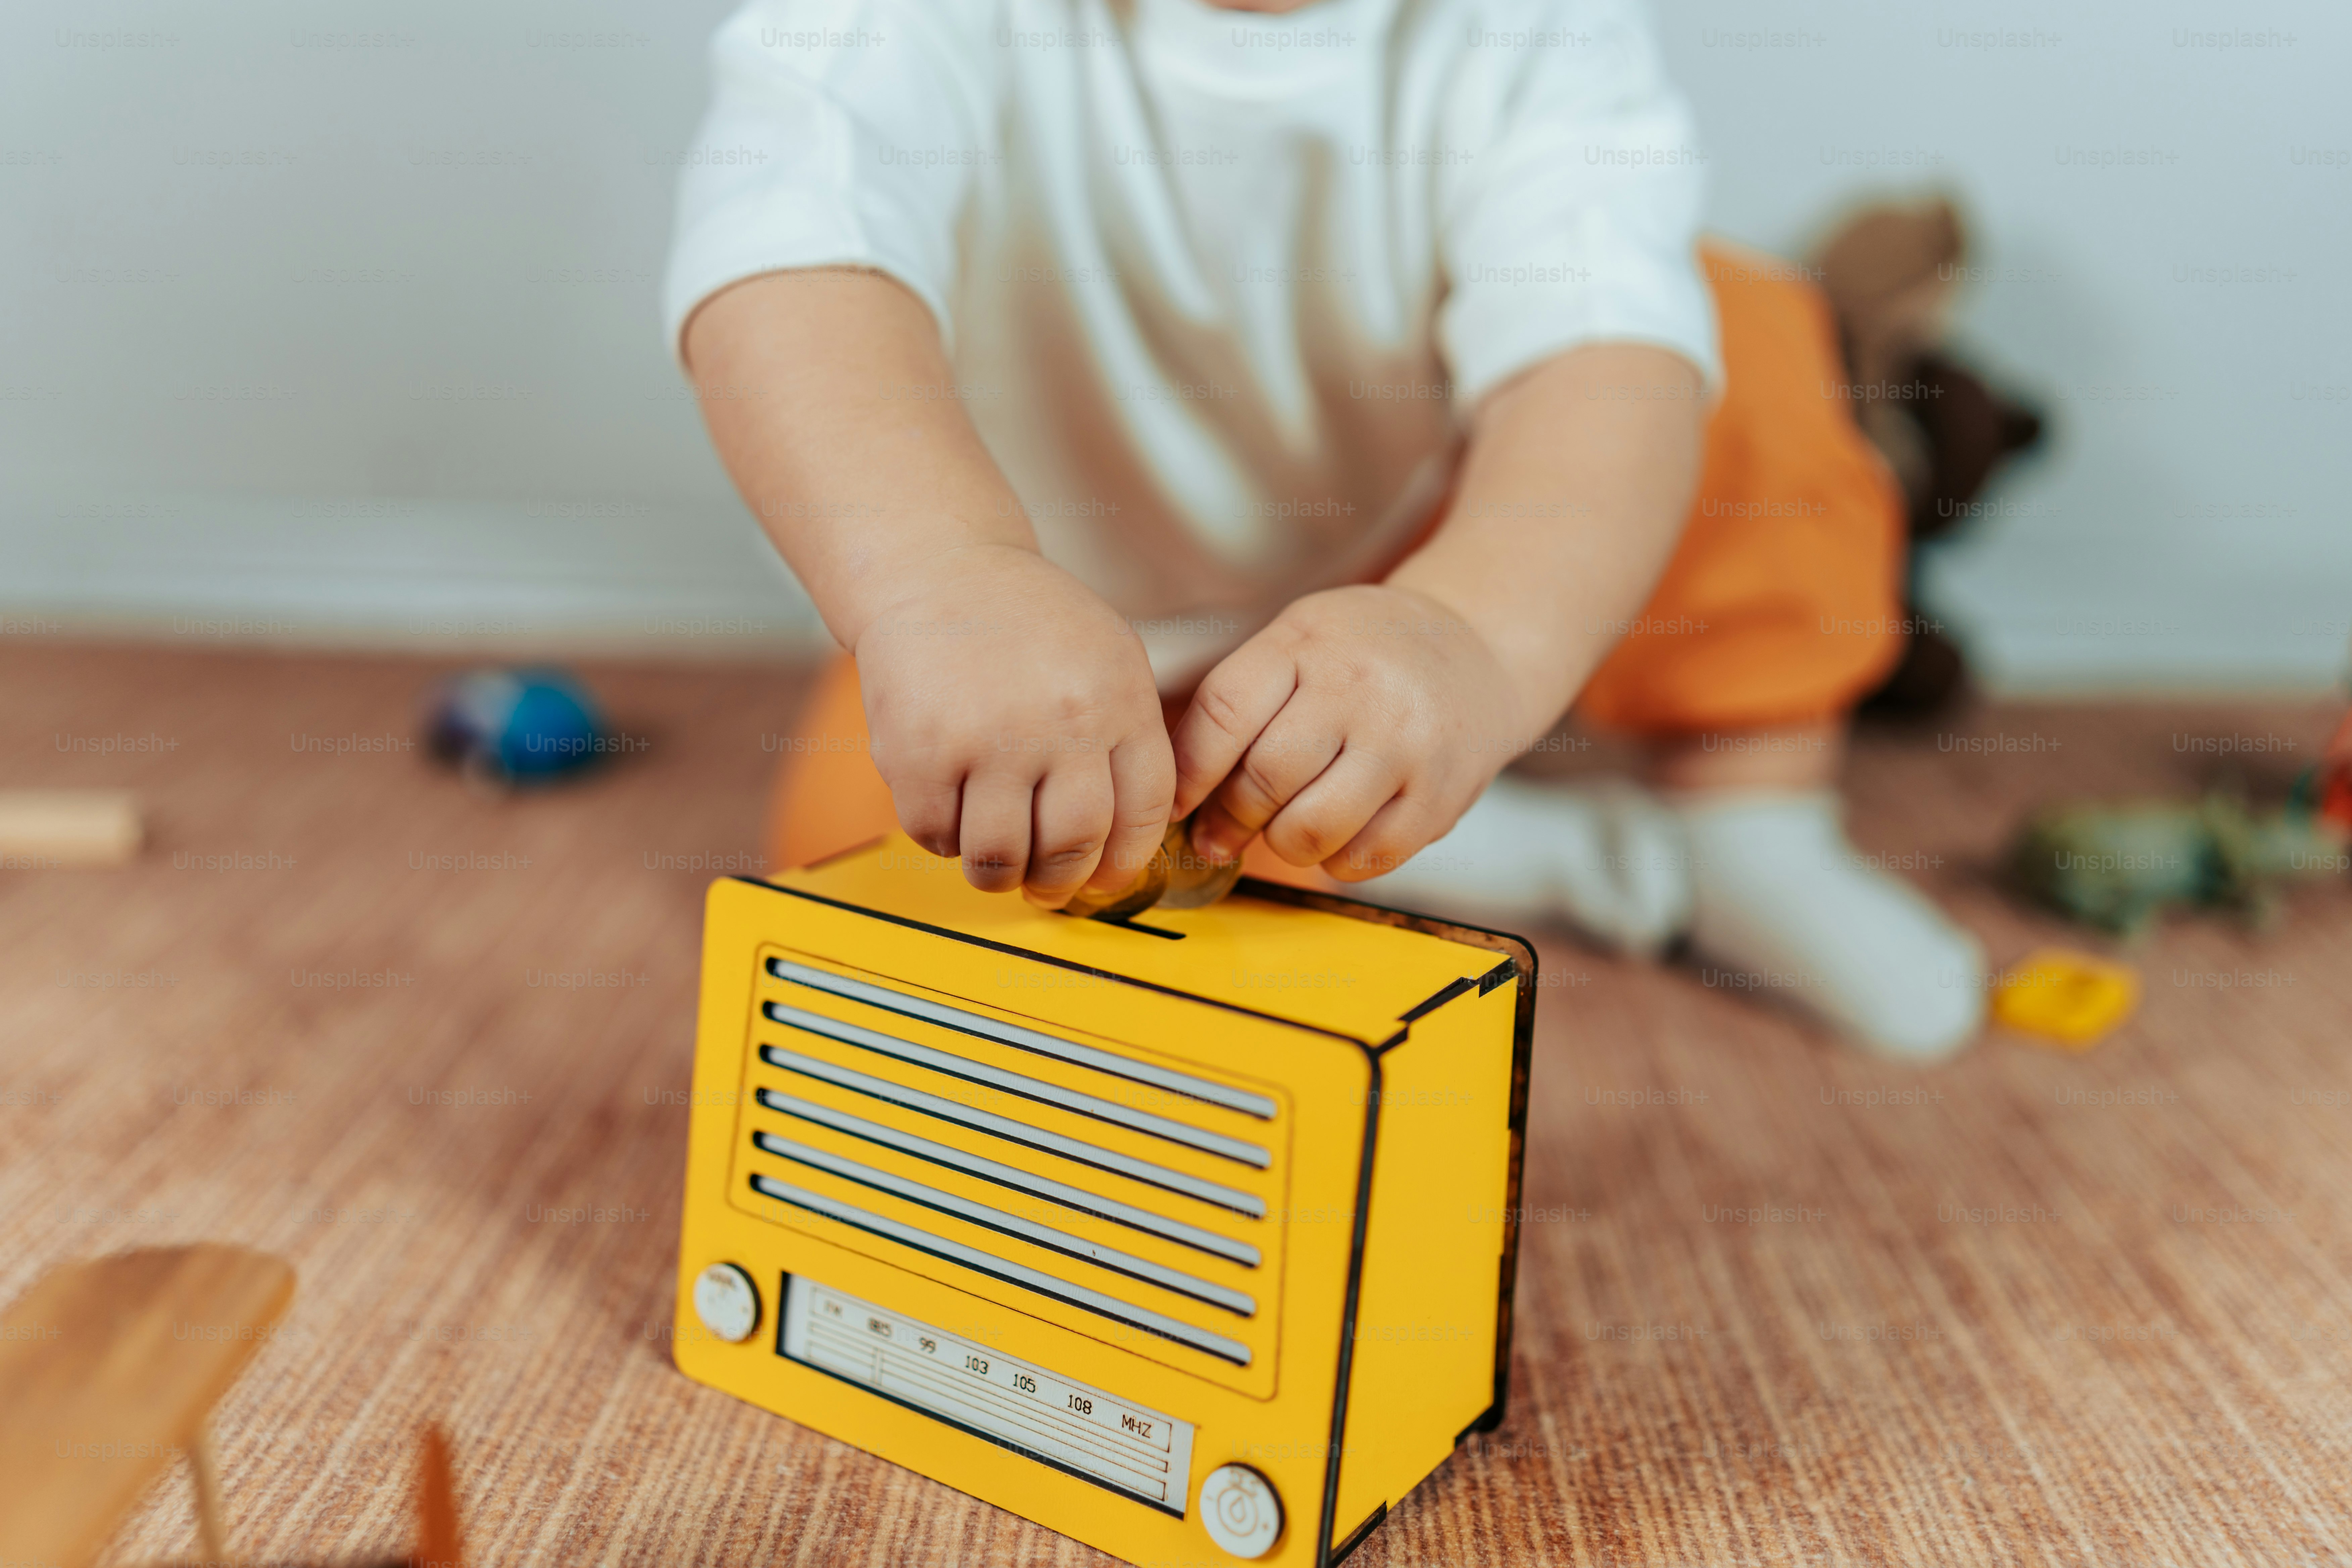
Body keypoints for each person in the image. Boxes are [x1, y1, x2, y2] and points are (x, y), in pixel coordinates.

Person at [664, 0, 1984, 1059]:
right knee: (862, 877)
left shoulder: (1530, 35)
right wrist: (941, 582)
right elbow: (791, 271)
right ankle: (1475, 846)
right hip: (1029, 619)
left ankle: (1742, 825)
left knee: (1720, 334)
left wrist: (1471, 633)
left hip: (1411, 553)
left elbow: (1594, 379)